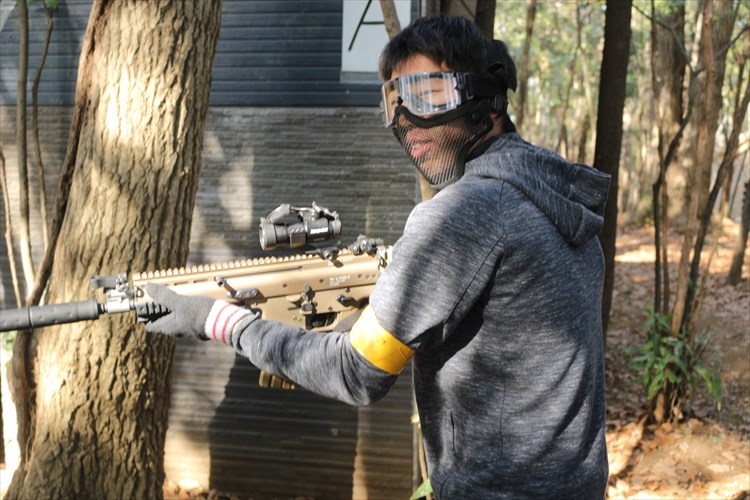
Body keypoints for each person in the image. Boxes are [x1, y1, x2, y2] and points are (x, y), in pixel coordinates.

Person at [145, 14, 611, 499]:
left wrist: (218, 319)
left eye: (427, 93)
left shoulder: (466, 211)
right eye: (394, 101)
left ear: (484, 94)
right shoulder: (555, 193)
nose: (407, 120)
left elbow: (356, 374)